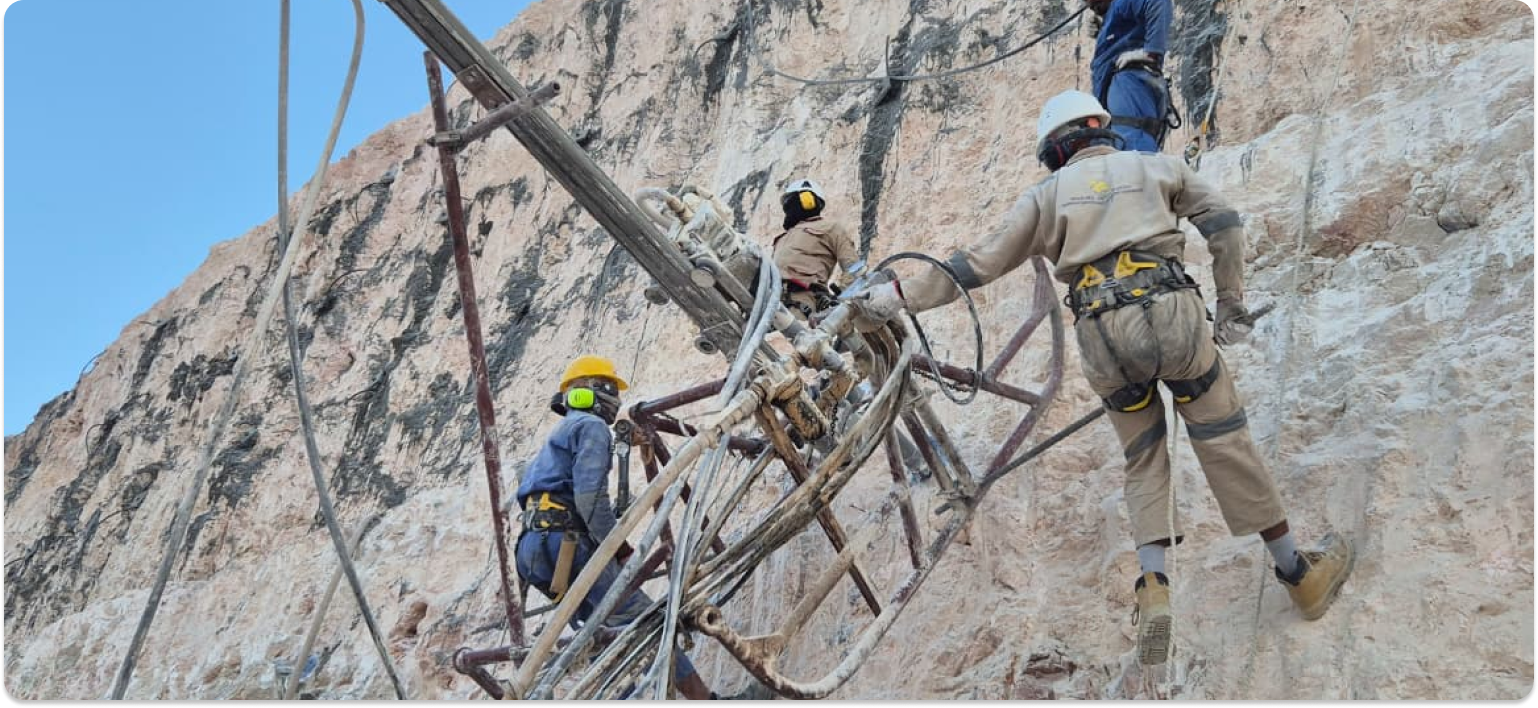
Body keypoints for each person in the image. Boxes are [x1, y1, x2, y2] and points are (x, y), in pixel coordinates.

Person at [849, 90, 1354, 666]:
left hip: (1103, 335)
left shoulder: (1045, 197)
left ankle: (1155, 585)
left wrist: (896, 295)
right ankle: (1297, 573)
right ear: (1102, 130)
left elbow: (976, 265)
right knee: (1224, 437)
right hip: (1172, 314)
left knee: (1143, 456)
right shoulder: (1156, 167)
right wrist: (1231, 300)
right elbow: (1224, 223)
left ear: (1056, 151)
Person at [513, 355, 718, 699]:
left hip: (533, 550)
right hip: (567, 543)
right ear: (595, 390)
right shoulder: (590, 427)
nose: (616, 400)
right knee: (645, 621)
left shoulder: (558, 436)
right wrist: (620, 548)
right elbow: (590, 500)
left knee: (601, 637)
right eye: (612, 390)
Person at [1086, 0, 1178, 152]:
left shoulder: (1122, 3)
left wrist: (1151, 52)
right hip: (1121, 90)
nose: (1089, 5)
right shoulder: (1117, 9)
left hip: (1128, 86)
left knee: (1133, 147)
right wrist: (1104, 28)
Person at [772, 178, 866, 320]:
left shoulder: (830, 228)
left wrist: (839, 298)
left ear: (807, 200)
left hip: (801, 306)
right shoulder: (782, 238)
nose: (787, 208)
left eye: (790, 202)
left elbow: (854, 268)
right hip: (770, 304)